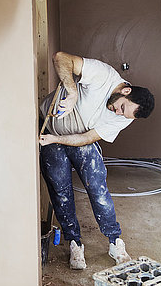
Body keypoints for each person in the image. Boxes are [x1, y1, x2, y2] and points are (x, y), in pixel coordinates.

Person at [39, 51, 154, 270]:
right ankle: (74, 242)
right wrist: (72, 93)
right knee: (60, 190)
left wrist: (58, 138)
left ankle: (114, 241)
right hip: (50, 127)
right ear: (125, 90)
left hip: (73, 137)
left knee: (98, 189)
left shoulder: (124, 118)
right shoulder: (103, 75)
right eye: (121, 107)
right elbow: (60, 58)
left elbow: (87, 138)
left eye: (124, 115)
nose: (118, 113)